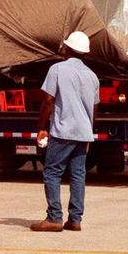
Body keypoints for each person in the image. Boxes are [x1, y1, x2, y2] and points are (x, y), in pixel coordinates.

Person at [31, 31, 100, 233]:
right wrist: (89, 132)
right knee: (78, 175)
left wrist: (42, 127)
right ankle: (75, 219)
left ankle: (54, 217)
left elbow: (49, 100)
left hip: (63, 131)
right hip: (83, 132)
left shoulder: (57, 69)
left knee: (52, 172)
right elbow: (94, 108)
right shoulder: (92, 76)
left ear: (67, 49)